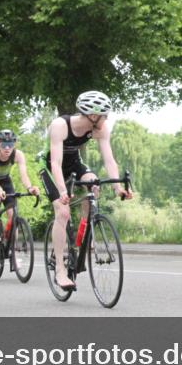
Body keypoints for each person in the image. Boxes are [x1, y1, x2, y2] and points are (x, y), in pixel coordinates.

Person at [40, 91, 133, 291]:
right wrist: (63, 191)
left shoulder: (101, 128)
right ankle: (60, 271)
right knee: (63, 212)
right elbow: (55, 163)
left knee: (94, 185)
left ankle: (83, 233)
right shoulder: (60, 125)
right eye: (104, 115)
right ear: (92, 115)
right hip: (51, 167)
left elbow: (109, 160)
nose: (106, 119)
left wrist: (118, 188)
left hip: (74, 164)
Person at [0, 129, 39, 245]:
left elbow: (23, 175)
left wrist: (30, 188)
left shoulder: (18, 155)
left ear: (14, 144)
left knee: (13, 215)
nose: (7, 148)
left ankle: (11, 246)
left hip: (5, 181)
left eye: (10, 144)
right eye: (4, 144)